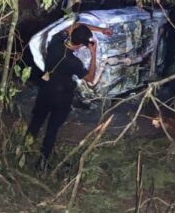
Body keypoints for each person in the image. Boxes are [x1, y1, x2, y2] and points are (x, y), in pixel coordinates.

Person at [27, 22, 112, 167]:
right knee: (52, 129)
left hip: (46, 90)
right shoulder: (73, 62)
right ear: (82, 45)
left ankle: (23, 150)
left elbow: (76, 24)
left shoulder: (55, 41)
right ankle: (42, 163)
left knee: (36, 121)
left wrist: (101, 30)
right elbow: (90, 78)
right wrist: (93, 53)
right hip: (62, 97)